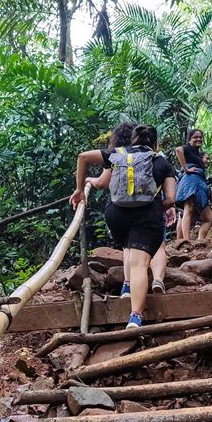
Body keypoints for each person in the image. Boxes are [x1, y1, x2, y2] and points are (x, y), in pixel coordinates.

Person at [70, 124, 176, 329]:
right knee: (139, 263)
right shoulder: (161, 161)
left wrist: (79, 189)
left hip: (116, 214)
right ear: (154, 143)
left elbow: (83, 157)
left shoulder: (117, 153)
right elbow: (171, 199)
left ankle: (126, 287)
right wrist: (155, 207)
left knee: (128, 246)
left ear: (133, 140)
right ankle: (135, 317)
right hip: (147, 216)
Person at [175, 131, 212, 241]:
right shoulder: (188, 148)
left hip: (198, 183)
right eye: (195, 137)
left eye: (200, 137)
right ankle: (186, 241)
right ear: (189, 140)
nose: (198, 139)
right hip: (191, 181)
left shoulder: (197, 154)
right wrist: (186, 168)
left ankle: (198, 240)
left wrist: (209, 189)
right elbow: (178, 150)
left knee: (208, 217)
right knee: (188, 208)